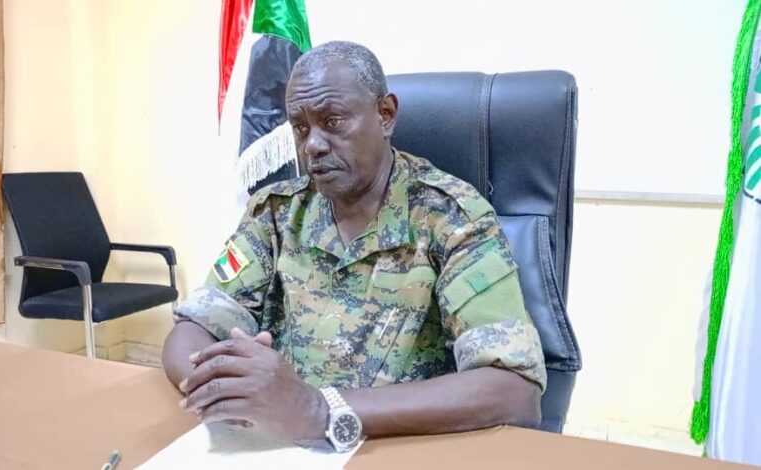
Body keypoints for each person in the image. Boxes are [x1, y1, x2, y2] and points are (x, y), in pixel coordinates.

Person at [162, 40, 546, 452]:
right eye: (300, 127)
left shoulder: (451, 218)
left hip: (403, 447)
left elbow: (513, 391)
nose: (312, 145)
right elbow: (194, 328)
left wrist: (320, 410)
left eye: (333, 121)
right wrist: (225, 389)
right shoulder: (275, 213)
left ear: (385, 115)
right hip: (280, 445)